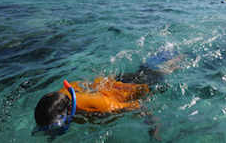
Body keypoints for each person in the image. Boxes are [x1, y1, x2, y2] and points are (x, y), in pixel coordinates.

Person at [33, 45, 185, 140]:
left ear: (66, 112)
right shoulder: (61, 95)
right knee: (144, 69)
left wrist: (154, 127)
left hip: (135, 87)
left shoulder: (102, 106)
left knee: (165, 71)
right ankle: (162, 53)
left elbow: (138, 106)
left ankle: (183, 55)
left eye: (54, 126)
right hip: (116, 81)